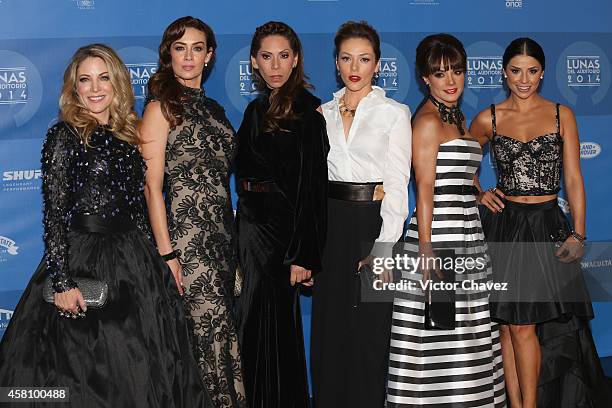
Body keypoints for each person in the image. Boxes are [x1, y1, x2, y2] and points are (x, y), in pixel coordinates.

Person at [0, 44, 210, 407]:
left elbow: (138, 204)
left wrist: (158, 262)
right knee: (84, 369)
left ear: (117, 84)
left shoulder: (129, 135)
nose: (95, 88)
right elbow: (53, 213)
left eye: (103, 78)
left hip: (134, 262)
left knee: (141, 365)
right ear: (75, 88)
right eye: (86, 80)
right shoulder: (64, 137)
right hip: (85, 256)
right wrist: (63, 282)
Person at [471, 37, 612, 408]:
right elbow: (460, 164)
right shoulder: (489, 117)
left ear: (543, 73)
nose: (524, 79)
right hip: (504, 226)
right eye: (516, 71)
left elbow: (574, 179)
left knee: (523, 325)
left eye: (532, 71)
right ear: (504, 73)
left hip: (546, 224)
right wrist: (478, 191)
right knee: (508, 324)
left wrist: (579, 232)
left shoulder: (560, 114)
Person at [386, 34, 506, 407]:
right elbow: (424, 187)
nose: (451, 80)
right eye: (440, 73)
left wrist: (478, 190)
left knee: (467, 330)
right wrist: (426, 250)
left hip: (467, 230)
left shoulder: (454, 117)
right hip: (439, 233)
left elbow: (458, 169)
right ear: (426, 78)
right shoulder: (426, 121)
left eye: (456, 70)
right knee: (441, 329)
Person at [140, 16, 245, 408]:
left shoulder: (216, 109)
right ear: (168, 54)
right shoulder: (160, 108)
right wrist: (168, 254)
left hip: (221, 238)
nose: (188, 56)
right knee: (204, 336)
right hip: (187, 241)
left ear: (209, 55)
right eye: (180, 48)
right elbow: (152, 187)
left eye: (197, 48)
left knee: (221, 332)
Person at [310, 20, 412, 408]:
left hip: (374, 224)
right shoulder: (321, 113)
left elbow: (398, 185)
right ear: (336, 63)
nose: (355, 66)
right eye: (347, 58)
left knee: (370, 331)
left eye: (364, 58)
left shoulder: (394, 113)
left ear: (378, 64)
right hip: (331, 227)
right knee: (330, 330)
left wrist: (386, 245)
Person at [234, 21, 328, 408]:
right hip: (249, 229)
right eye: (267, 57)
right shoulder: (255, 109)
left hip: (280, 236)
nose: (275, 65)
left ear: (296, 60)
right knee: (251, 326)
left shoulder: (308, 113)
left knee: (275, 329)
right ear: (254, 62)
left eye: (284, 56)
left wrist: (305, 255)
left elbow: (313, 189)